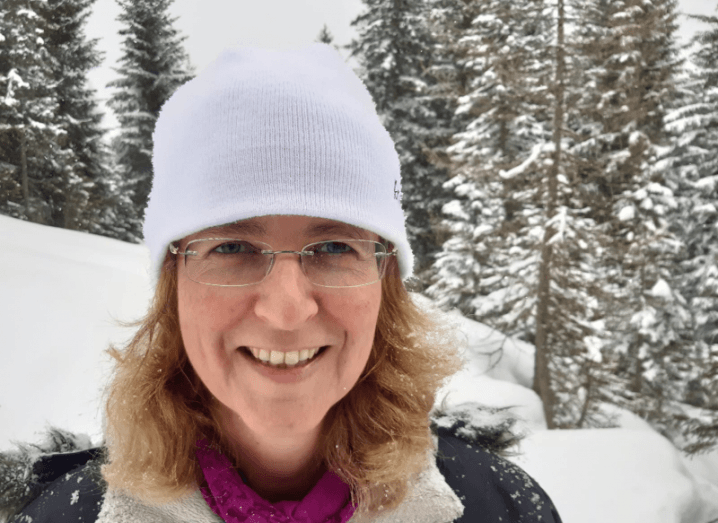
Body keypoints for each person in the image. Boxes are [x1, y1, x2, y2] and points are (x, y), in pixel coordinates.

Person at [0, 44, 563, 523]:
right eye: (233, 247)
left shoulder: (501, 508)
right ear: (172, 286)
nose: (287, 308)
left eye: (334, 247)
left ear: (385, 280)